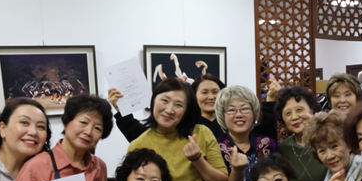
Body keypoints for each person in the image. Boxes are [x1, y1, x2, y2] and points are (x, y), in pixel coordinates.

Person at [111, 75, 278, 143]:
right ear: (193, 96)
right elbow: (143, 137)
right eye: (204, 92)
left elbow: (266, 138)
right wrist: (121, 110)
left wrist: (270, 101)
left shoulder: (235, 121)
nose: (211, 97)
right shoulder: (184, 124)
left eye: (215, 92)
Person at [216, 85, 278, 181]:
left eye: (244, 108)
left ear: (253, 112)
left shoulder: (268, 145)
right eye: (231, 110)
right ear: (222, 115)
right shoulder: (216, 148)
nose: (239, 115)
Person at [275, 85, 327, 181]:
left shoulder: (327, 143)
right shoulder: (281, 150)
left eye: (299, 110)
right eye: (288, 113)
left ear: (312, 110)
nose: (294, 117)